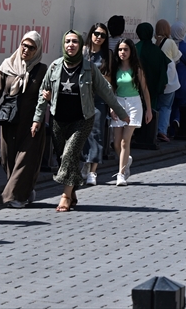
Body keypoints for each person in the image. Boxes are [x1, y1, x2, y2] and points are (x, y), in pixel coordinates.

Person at [32, 30, 128, 212]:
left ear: (80, 44)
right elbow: (43, 94)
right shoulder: (55, 67)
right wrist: (37, 119)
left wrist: (120, 112)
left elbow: (106, 91)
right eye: (67, 41)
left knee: (70, 154)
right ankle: (73, 191)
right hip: (58, 119)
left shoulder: (89, 68)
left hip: (82, 119)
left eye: (75, 41)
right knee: (63, 159)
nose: (70, 45)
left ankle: (65, 196)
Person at [0, 30, 47, 208]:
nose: (26, 50)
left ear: (37, 50)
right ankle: (24, 190)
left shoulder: (41, 70)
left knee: (25, 160)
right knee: (8, 159)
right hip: (10, 120)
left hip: (32, 123)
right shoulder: (7, 66)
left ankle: (12, 196)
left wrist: (40, 115)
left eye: (31, 47)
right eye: (24, 45)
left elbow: (44, 98)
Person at [108, 39, 153, 185]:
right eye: (120, 50)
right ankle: (126, 160)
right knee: (116, 143)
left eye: (126, 49)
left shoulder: (137, 69)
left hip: (134, 103)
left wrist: (149, 110)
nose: (123, 52)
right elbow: (111, 89)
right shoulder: (114, 68)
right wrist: (111, 106)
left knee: (125, 140)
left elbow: (145, 90)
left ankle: (121, 174)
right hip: (118, 102)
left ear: (131, 51)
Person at [83, 22, 112, 185]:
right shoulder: (83, 51)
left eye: (102, 35)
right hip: (82, 98)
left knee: (97, 133)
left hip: (99, 98)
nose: (99, 37)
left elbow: (109, 79)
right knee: (81, 133)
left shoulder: (107, 54)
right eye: (96, 34)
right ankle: (85, 162)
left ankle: (93, 172)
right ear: (91, 34)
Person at [133, 22, 170, 149]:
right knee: (151, 109)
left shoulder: (135, 48)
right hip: (153, 86)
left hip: (135, 88)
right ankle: (149, 136)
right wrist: (162, 83)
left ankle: (135, 135)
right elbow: (164, 66)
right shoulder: (156, 50)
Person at [149, 20, 181, 143]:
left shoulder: (152, 42)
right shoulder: (170, 42)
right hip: (169, 79)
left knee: (155, 105)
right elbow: (177, 57)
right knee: (166, 106)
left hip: (155, 78)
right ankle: (161, 130)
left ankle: (152, 129)